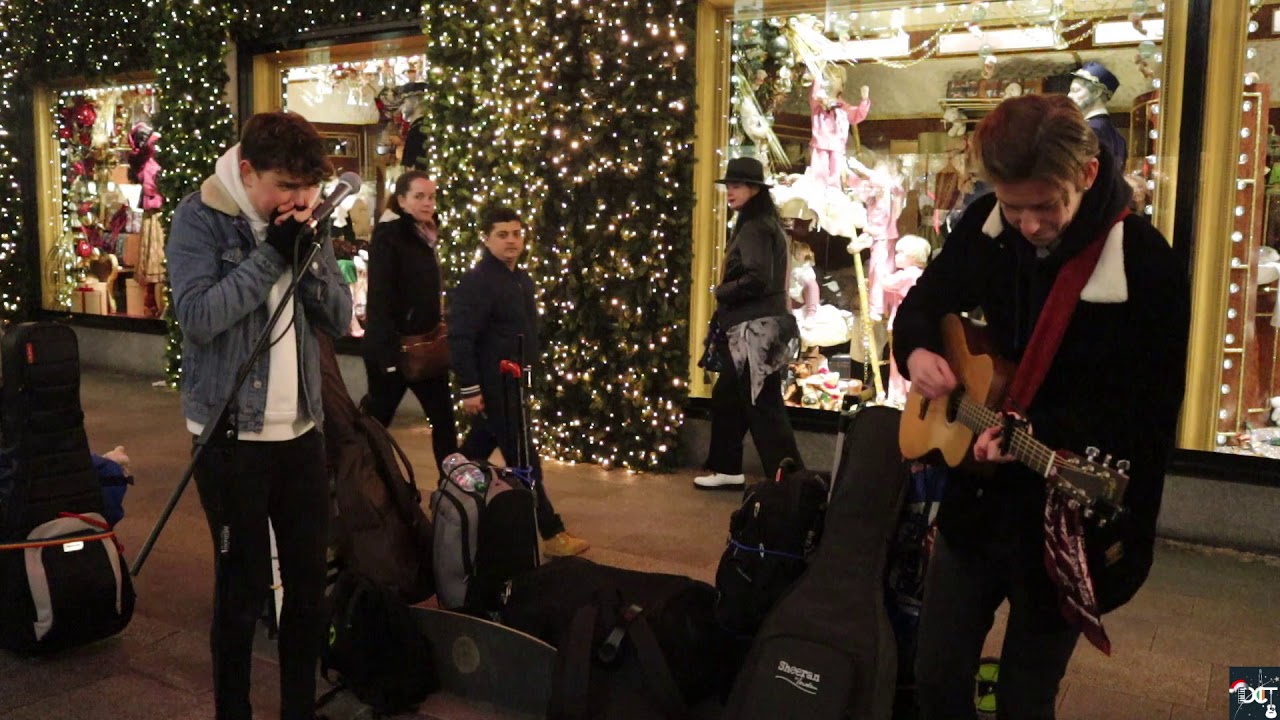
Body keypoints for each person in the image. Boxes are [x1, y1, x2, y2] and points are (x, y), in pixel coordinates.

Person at [892, 94, 1189, 719]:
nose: (1028, 224)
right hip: (976, 505)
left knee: (1025, 699)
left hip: (1063, 518)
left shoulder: (1145, 263)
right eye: (1012, 206)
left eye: (1044, 205)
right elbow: (923, 304)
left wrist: (1036, 432)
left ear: (1084, 174)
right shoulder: (986, 227)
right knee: (936, 678)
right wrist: (917, 353)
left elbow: (1149, 415)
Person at [166, 111, 353, 720]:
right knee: (241, 590)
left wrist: (312, 260)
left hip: (300, 429)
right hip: (229, 436)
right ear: (247, 171)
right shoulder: (200, 218)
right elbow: (198, 317)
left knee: (306, 587)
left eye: (308, 190)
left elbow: (336, 315)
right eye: (285, 186)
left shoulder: (305, 215)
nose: (298, 201)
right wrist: (272, 255)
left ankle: (299, 707)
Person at [447, 205, 589, 558]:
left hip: (515, 384)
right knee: (525, 459)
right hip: (495, 386)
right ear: (486, 238)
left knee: (476, 450)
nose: (511, 241)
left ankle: (449, 497)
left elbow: (523, 335)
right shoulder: (479, 281)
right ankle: (550, 531)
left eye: (516, 233)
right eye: (502, 234)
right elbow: (461, 337)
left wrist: (528, 377)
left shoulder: (520, 279)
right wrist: (471, 388)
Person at [694, 157, 804, 490]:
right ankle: (727, 468)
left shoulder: (756, 226)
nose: (730, 191)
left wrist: (722, 291)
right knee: (728, 395)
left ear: (755, 189)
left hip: (753, 330)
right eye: (728, 185)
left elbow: (757, 278)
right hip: (756, 328)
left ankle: (792, 482)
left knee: (763, 405)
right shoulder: (761, 222)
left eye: (737, 185)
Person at [362, 171, 459, 474]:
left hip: (426, 346)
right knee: (375, 422)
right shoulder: (390, 235)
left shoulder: (425, 233)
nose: (428, 202)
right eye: (419, 196)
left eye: (431, 196)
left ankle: (453, 487)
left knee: (444, 421)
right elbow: (380, 295)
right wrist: (387, 355)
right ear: (401, 199)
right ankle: (356, 480)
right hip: (395, 348)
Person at [1068, 61, 1127, 169]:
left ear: (1097, 93)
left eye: (1076, 90)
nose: (1069, 95)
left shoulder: (1090, 131)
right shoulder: (1118, 139)